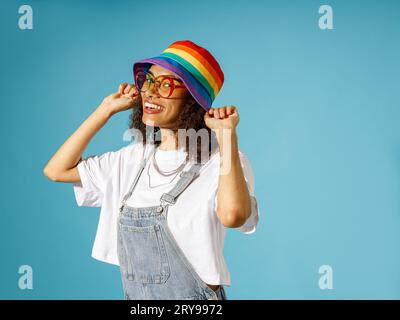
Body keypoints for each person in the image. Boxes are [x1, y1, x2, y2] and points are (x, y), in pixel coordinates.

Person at [43, 40, 260, 300]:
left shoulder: (223, 159)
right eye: (148, 81)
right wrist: (106, 109)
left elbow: (233, 216)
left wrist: (226, 137)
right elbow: (56, 170)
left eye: (166, 84)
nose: (150, 92)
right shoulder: (133, 159)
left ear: (193, 99)